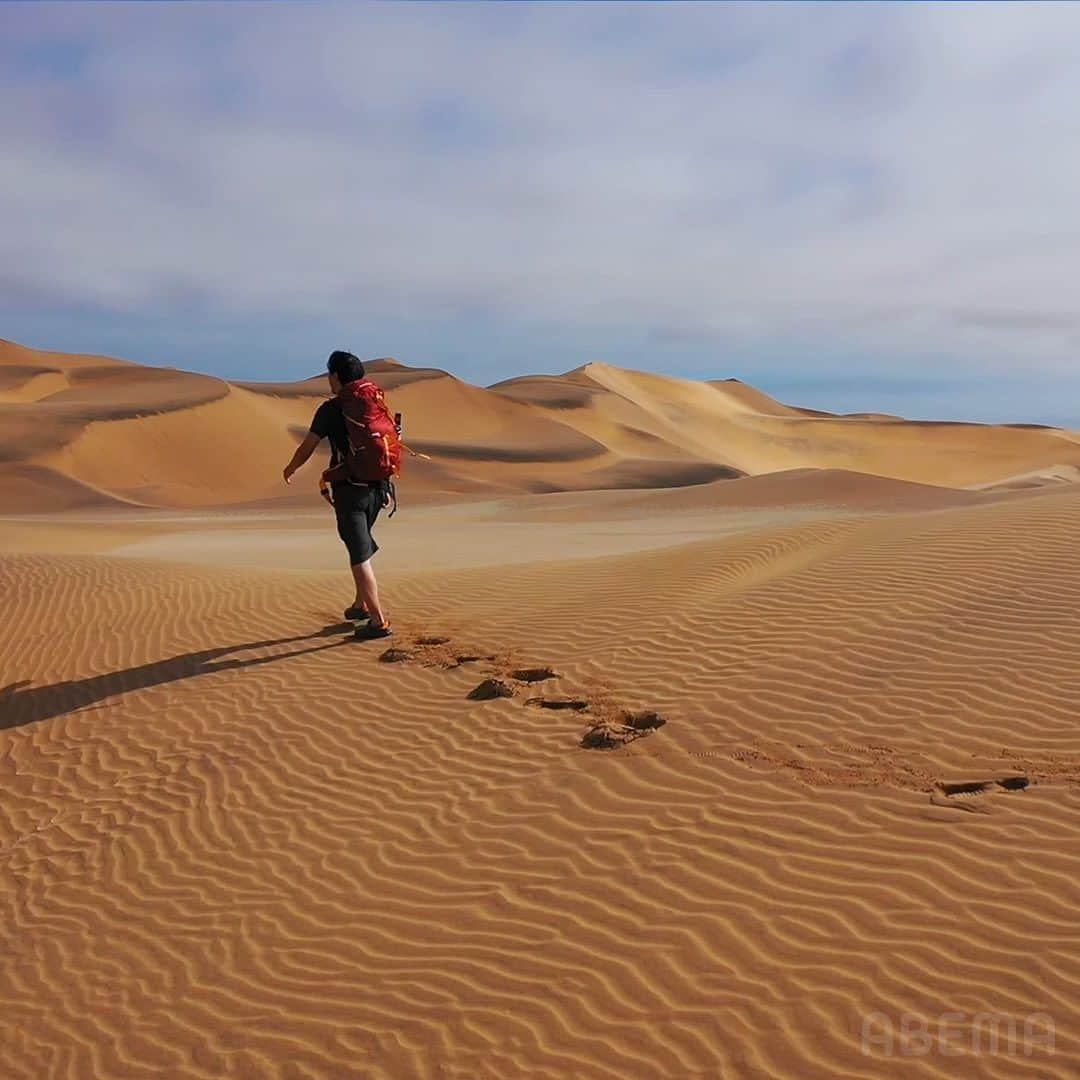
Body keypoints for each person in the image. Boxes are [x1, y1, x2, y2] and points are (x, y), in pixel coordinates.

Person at [282, 350, 393, 639]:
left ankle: (378, 621)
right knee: (360, 542)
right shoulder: (374, 403)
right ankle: (360, 605)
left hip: (350, 490)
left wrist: (291, 468)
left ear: (335, 376)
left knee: (359, 555)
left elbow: (308, 446)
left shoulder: (332, 409)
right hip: (378, 487)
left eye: (328, 374)